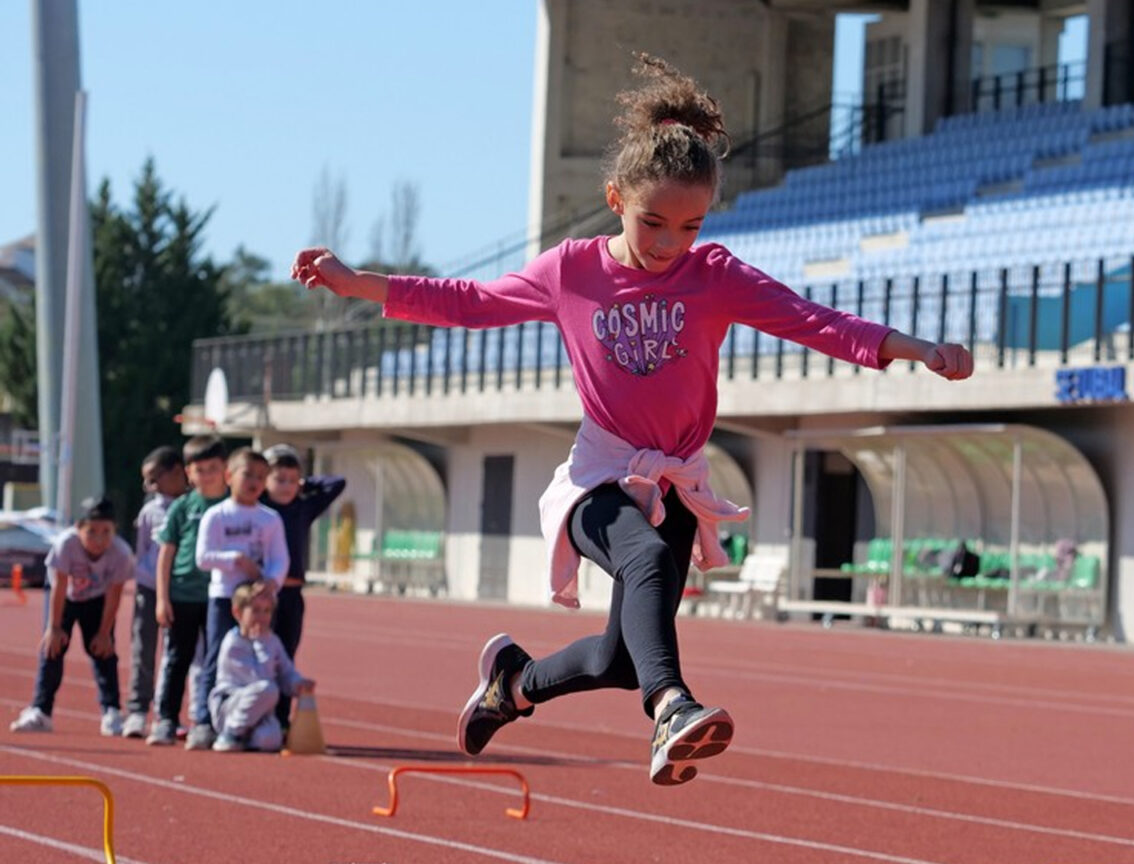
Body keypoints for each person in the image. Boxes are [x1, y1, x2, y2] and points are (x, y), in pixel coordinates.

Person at [291, 54, 973, 786]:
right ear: (615, 198)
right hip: (601, 477)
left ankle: (511, 684)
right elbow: (471, 301)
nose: (668, 243)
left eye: (689, 225)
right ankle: (673, 708)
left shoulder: (714, 276)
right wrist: (358, 282)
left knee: (621, 656)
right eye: (652, 221)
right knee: (644, 565)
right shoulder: (572, 270)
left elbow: (813, 321)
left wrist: (919, 349)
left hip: (676, 481)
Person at [9, 498, 135, 735]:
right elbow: (58, 586)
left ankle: (112, 711)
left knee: (103, 650)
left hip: (98, 600)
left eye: (106, 532)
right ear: (79, 528)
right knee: (52, 648)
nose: (99, 540)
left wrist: (105, 632)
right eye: (92, 532)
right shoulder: (65, 544)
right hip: (65, 597)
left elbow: (114, 594)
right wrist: (54, 627)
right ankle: (41, 711)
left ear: (115, 530)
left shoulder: (121, 553)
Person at [192, 447, 289, 750]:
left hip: (260, 600)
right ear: (229, 476)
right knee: (216, 658)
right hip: (225, 598)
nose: (255, 482)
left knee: (266, 658)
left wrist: (270, 584)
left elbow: (279, 559)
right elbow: (203, 558)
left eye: (262, 477)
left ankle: (265, 721)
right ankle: (204, 722)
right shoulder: (216, 515)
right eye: (248, 474)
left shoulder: (269, 519)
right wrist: (235, 559)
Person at [149, 435, 229, 747]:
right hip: (182, 594)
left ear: (225, 469)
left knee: (215, 661)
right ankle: (166, 719)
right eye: (200, 469)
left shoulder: (232, 505)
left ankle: (206, 721)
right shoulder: (183, 506)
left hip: (220, 596)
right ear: (188, 473)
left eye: (213, 468)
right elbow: (166, 552)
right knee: (176, 658)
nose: (206, 475)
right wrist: (161, 597)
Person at [259, 443, 345, 730]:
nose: (286, 487)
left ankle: (281, 721)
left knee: (285, 656)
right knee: (259, 656)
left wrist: (305, 483)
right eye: (279, 479)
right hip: (264, 593)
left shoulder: (303, 507)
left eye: (292, 480)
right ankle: (257, 717)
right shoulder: (260, 508)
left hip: (293, 593)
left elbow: (337, 483)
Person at [122, 446, 189, 738]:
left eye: (153, 478)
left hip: (184, 591)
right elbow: (143, 552)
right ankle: (137, 711)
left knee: (178, 654)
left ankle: (168, 712)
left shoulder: (193, 505)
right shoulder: (150, 511)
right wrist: (146, 585)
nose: (148, 487)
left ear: (176, 472)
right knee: (144, 648)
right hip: (150, 588)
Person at [209, 579, 314, 752]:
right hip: (232, 706)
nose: (262, 617)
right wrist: (261, 643)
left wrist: (298, 684)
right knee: (269, 689)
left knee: (271, 740)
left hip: (262, 709)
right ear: (238, 613)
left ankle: (247, 737)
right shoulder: (233, 644)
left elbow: (285, 671)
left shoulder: (272, 641)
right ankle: (230, 733)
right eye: (255, 611)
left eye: (266, 611)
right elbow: (259, 678)